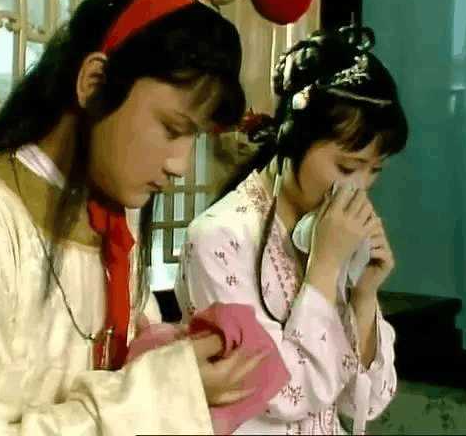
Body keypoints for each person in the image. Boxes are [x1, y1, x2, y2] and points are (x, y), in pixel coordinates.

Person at [0, 0, 269, 435]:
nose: (180, 164)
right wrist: (162, 393)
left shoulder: (114, 219)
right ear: (94, 82)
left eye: (192, 137)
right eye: (172, 128)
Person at [175, 27, 409, 435]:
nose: (359, 188)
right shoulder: (218, 238)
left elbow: (365, 402)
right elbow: (282, 395)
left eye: (374, 170)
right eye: (348, 167)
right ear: (291, 140)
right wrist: (325, 267)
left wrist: (364, 295)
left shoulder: (328, 231)